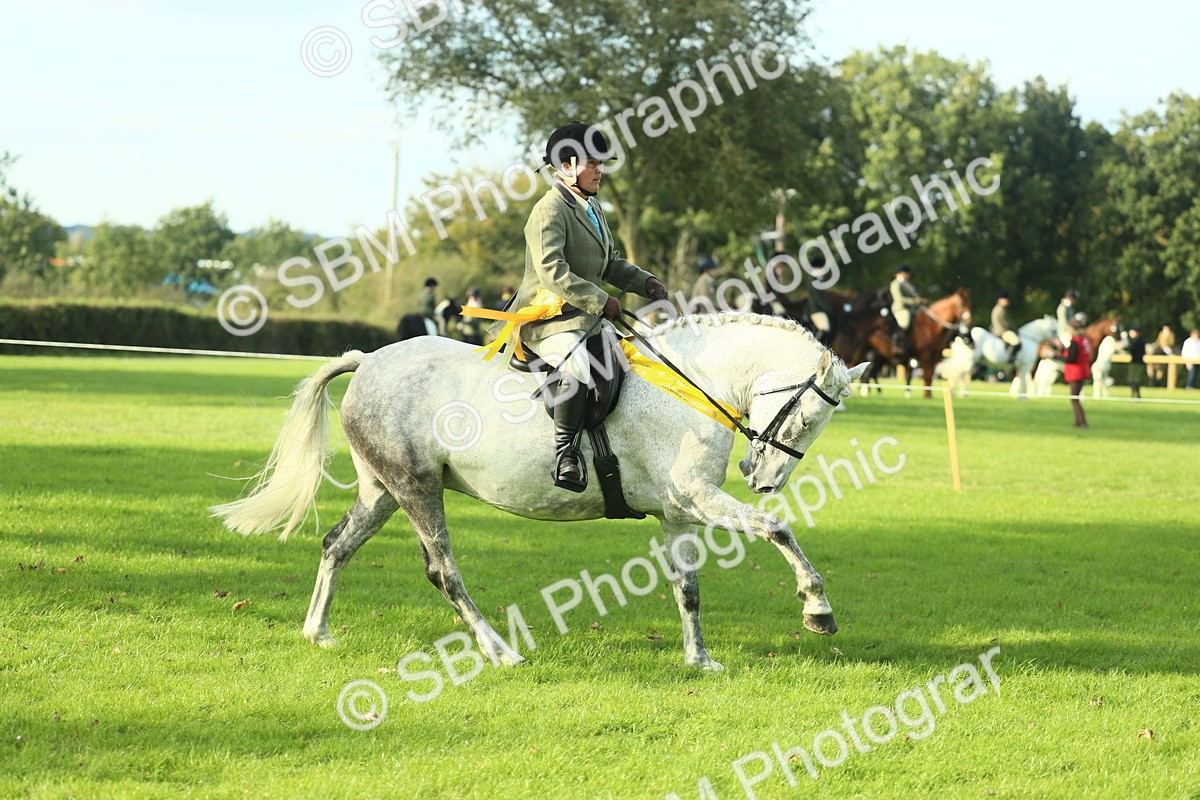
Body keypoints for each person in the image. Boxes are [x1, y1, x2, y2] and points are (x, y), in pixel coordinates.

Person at [487, 120, 667, 491]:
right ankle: (565, 454)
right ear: (567, 166)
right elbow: (553, 271)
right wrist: (602, 300)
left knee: (637, 355)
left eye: (601, 163)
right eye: (593, 163)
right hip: (550, 319)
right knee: (578, 366)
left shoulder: (593, 208)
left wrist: (643, 281)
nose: (600, 170)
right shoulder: (548, 210)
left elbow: (609, 262)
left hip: (587, 317)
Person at [1056, 311, 1093, 428]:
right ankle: (1079, 422)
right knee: (1076, 398)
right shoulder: (1084, 340)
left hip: (1076, 372)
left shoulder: (1074, 342)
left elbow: (1071, 358)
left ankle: (1082, 422)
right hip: (1083, 370)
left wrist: (1055, 356)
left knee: (1074, 399)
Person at [889, 264, 923, 355]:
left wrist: (920, 301)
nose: (908, 275)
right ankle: (897, 345)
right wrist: (914, 301)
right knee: (904, 323)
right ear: (901, 273)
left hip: (911, 309)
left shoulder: (907, 284)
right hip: (901, 309)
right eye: (906, 273)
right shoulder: (895, 284)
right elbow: (899, 299)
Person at [989, 291, 1020, 367]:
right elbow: (1005, 323)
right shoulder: (1000, 310)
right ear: (1000, 300)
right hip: (1001, 331)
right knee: (1016, 341)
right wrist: (1014, 329)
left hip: (1000, 330)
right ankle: (1010, 358)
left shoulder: (999, 309)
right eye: (1005, 299)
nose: (1007, 301)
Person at [1126, 325, 1146, 398]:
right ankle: (1136, 395)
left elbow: (1131, 349)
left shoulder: (1138, 341)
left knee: (1134, 379)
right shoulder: (1140, 340)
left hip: (1136, 362)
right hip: (1137, 362)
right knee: (1135, 379)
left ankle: (1134, 395)